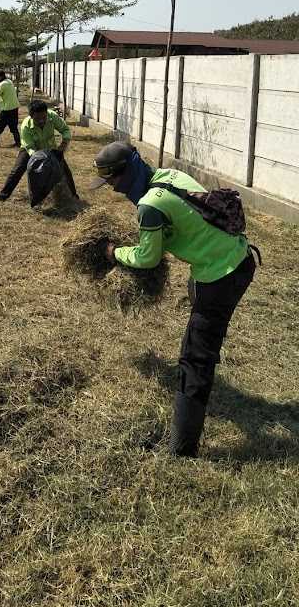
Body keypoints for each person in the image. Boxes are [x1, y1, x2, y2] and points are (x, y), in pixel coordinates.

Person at [91, 142, 256, 458]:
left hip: (220, 276)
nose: (111, 188)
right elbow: (190, 214)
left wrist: (115, 253)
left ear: (127, 173)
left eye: (112, 181)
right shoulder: (170, 175)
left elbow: (147, 258)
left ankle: (182, 449)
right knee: (201, 321)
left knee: (195, 358)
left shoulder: (150, 205)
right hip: (239, 257)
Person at [0, 100, 78, 202]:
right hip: (31, 150)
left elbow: (65, 130)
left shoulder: (53, 116)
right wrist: (39, 158)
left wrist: (64, 143)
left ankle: (73, 196)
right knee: (18, 169)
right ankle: (4, 195)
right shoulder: (26, 126)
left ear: (46, 113)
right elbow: (30, 147)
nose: (41, 121)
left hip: (49, 149)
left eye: (44, 117)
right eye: (37, 119)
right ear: (31, 116)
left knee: (64, 170)